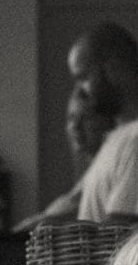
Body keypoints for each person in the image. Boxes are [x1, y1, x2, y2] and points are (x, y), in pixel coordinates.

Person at [68, 22, 138, 224]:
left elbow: (119, 231)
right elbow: (77, 202)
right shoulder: (120, 135)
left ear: (113, 68)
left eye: (83, 77)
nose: (80, 91)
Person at [13, 84, 115, 232]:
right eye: (71, 118)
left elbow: (65, 210)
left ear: (107, 122)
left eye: (86, 118)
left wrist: (21, 232)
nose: (76, 126)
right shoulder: (91, 169)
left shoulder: (109, 164)